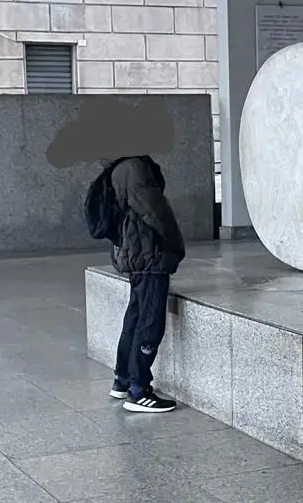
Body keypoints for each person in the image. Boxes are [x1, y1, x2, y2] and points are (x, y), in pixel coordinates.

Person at [102, 155, 185, 413]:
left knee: (135, 317)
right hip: (149, 255)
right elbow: (155, 211)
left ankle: (122, 379)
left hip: (136, 252)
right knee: (149, 321)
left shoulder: (118, 167)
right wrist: (175, 247)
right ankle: (139, 391)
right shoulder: (135, 167)